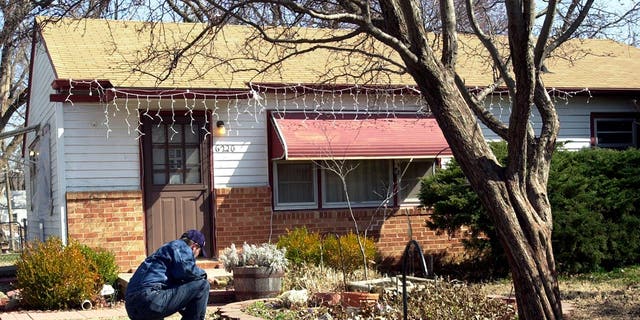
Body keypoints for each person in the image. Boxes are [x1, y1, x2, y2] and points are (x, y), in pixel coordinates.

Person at [125, 230, 210, 320]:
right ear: (194, 247)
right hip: (150, 298)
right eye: (199, 253)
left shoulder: (163, 254)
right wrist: (204, 275)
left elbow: (179, 294)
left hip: (132, 306)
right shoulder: (180, 246)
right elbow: (187, 270)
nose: (196, 257)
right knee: (202, 285)